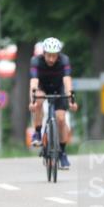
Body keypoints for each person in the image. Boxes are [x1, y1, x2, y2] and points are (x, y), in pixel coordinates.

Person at [29, 37, 78, 170]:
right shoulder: (36, 61)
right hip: (42, 87)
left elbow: (67, 81)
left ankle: (62, 152)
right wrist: (32, 101)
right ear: (44, 53)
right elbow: (33, 82)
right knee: (38, 99)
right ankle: (38, 132)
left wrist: (71, 100)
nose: (51, 59)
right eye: (48, 55)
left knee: (61, 119)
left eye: (54, 56)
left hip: (59, 88)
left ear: (58, 55)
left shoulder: (64, 60)